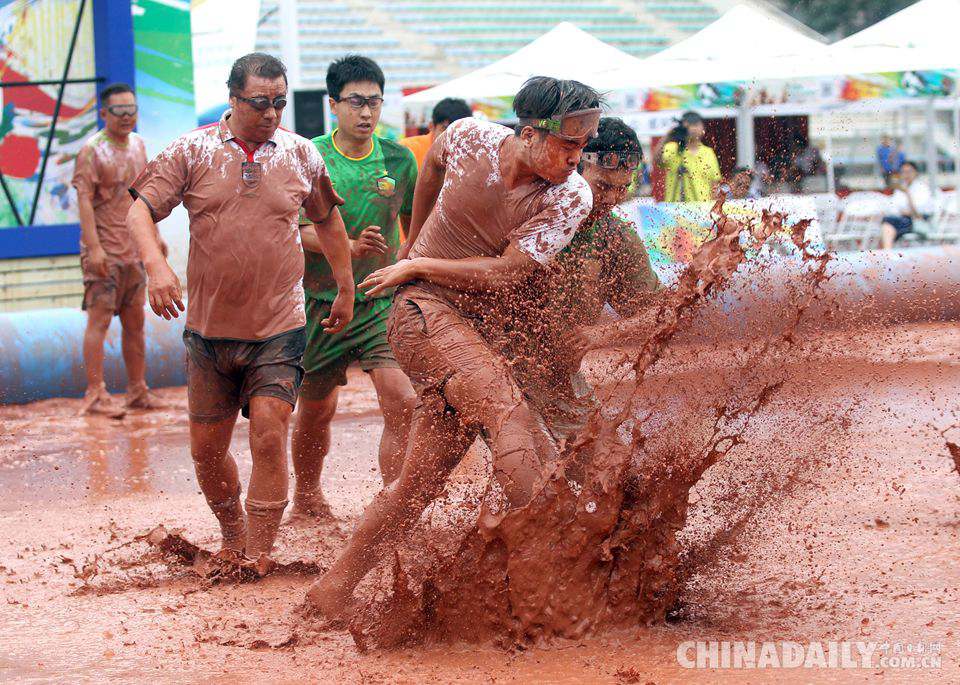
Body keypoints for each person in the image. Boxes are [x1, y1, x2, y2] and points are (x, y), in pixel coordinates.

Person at [305, 76, 600, 618]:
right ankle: (560, 590)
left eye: (586, 143)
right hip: (421, 313)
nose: (578, 157)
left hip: (473, 332)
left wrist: (416, 260)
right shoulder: (469, 136)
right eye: (570, 143)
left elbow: (510, 273)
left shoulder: (569, 195)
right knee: (514, 425)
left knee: (414, 490)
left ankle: (329, 593)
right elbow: (434, 165)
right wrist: (413, 242)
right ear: (531, 133)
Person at [126, 53, 354, 569]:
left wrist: (345, 287)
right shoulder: (194, 149)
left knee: (270, 427)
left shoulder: (300, 154)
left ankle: (260, 552)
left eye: (280, 102)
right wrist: (157, 268)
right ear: (233, 99)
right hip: (208, 330)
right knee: (206, 452)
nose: (271, 112)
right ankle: (232, 535)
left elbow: (327, 220)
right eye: (259, 103)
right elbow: (138, 209)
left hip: (280, 324)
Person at [291, 55, 418, 521]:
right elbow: (299, 230)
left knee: (402, 399)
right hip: (320, 304)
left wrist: (403, 265)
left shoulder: (400, 160)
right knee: (316, 409)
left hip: (378, 300)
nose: (366, 113)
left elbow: (414, 226)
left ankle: (394, 507)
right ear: (333, 105)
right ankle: (306, 496)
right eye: (355, 102)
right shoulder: (309, 156)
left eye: (374, 102)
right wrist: (346, 246)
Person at [72, 82, 164, 417]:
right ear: (104, 113)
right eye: (119, 111)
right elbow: (84, 200)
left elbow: (145, 196)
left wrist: (154, 236)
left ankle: (137, 390)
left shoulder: (139, 145)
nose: (127, 117)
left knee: (135, 322)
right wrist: (94, 248)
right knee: (98, 321)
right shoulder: (92, 150)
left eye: (132, 110)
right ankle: (95, 393)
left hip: (133, 251)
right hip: (105, 253)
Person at [654, 111, 722, 202]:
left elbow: (715, 183)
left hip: (701, 208)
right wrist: (668, 136)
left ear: (703, 128)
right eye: (689, 125)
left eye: (696, 125)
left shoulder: (708, 153)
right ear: (682, 128)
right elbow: (657, 161)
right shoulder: (672, 148)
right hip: (674, 208)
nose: (693, 129)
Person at [400, 97, 472, 170]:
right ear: (431, 126)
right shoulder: (407, 150)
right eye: (445, 129)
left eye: (458, 131)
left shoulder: (472, 155)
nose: (451, 136)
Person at [879, 160, 936, 249]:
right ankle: (888, 250)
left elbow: (918, 212)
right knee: (888, 222)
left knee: (888, 223)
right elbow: (893, 207)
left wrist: (907, 194)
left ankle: (887, 251)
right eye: (903, 172)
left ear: (916, 173)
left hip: (918, 221)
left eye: (909, 171)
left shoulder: (922, 188)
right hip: (903, 219)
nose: (906, 175)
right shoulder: (900, 189)